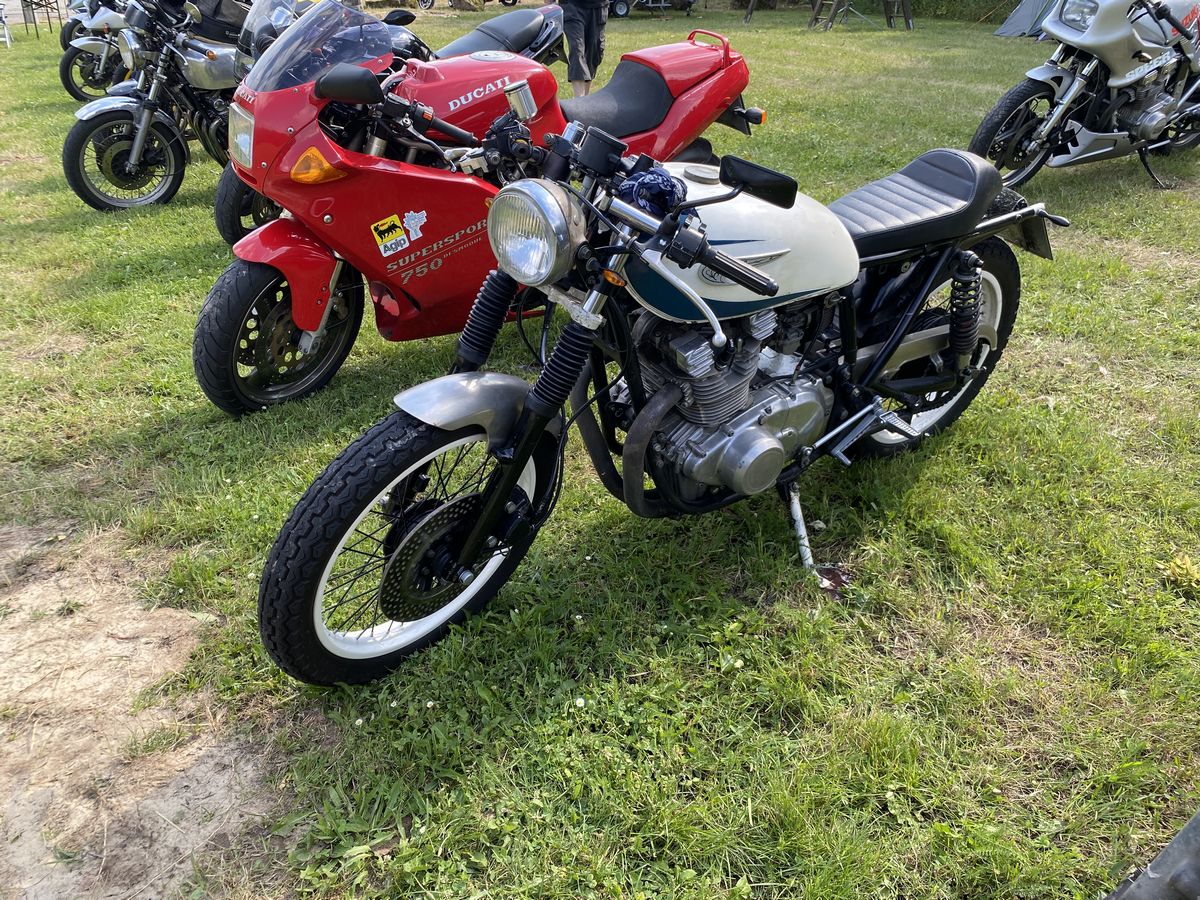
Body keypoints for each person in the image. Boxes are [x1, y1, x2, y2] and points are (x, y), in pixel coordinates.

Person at [560, 0, 608, 97]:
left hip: (598, 7)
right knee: (577, 49)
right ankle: (579, 99)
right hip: (571, 6)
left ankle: (585, 99)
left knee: (594, 53)